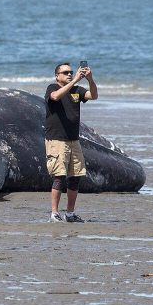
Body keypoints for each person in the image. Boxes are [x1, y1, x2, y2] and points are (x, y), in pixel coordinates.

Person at [45, 62, 97, 222]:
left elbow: (93, 96)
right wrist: (74, 80)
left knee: (75, 177)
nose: (69, 74)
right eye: (65, 72)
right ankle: (54, 213)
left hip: (74, 140)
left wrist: (90, 79)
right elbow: (55, 97)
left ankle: (69, 213)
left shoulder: (77, 91)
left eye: (71, 72)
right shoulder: (52, 88)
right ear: (57, 76)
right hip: (57, 140)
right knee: (59, 176)